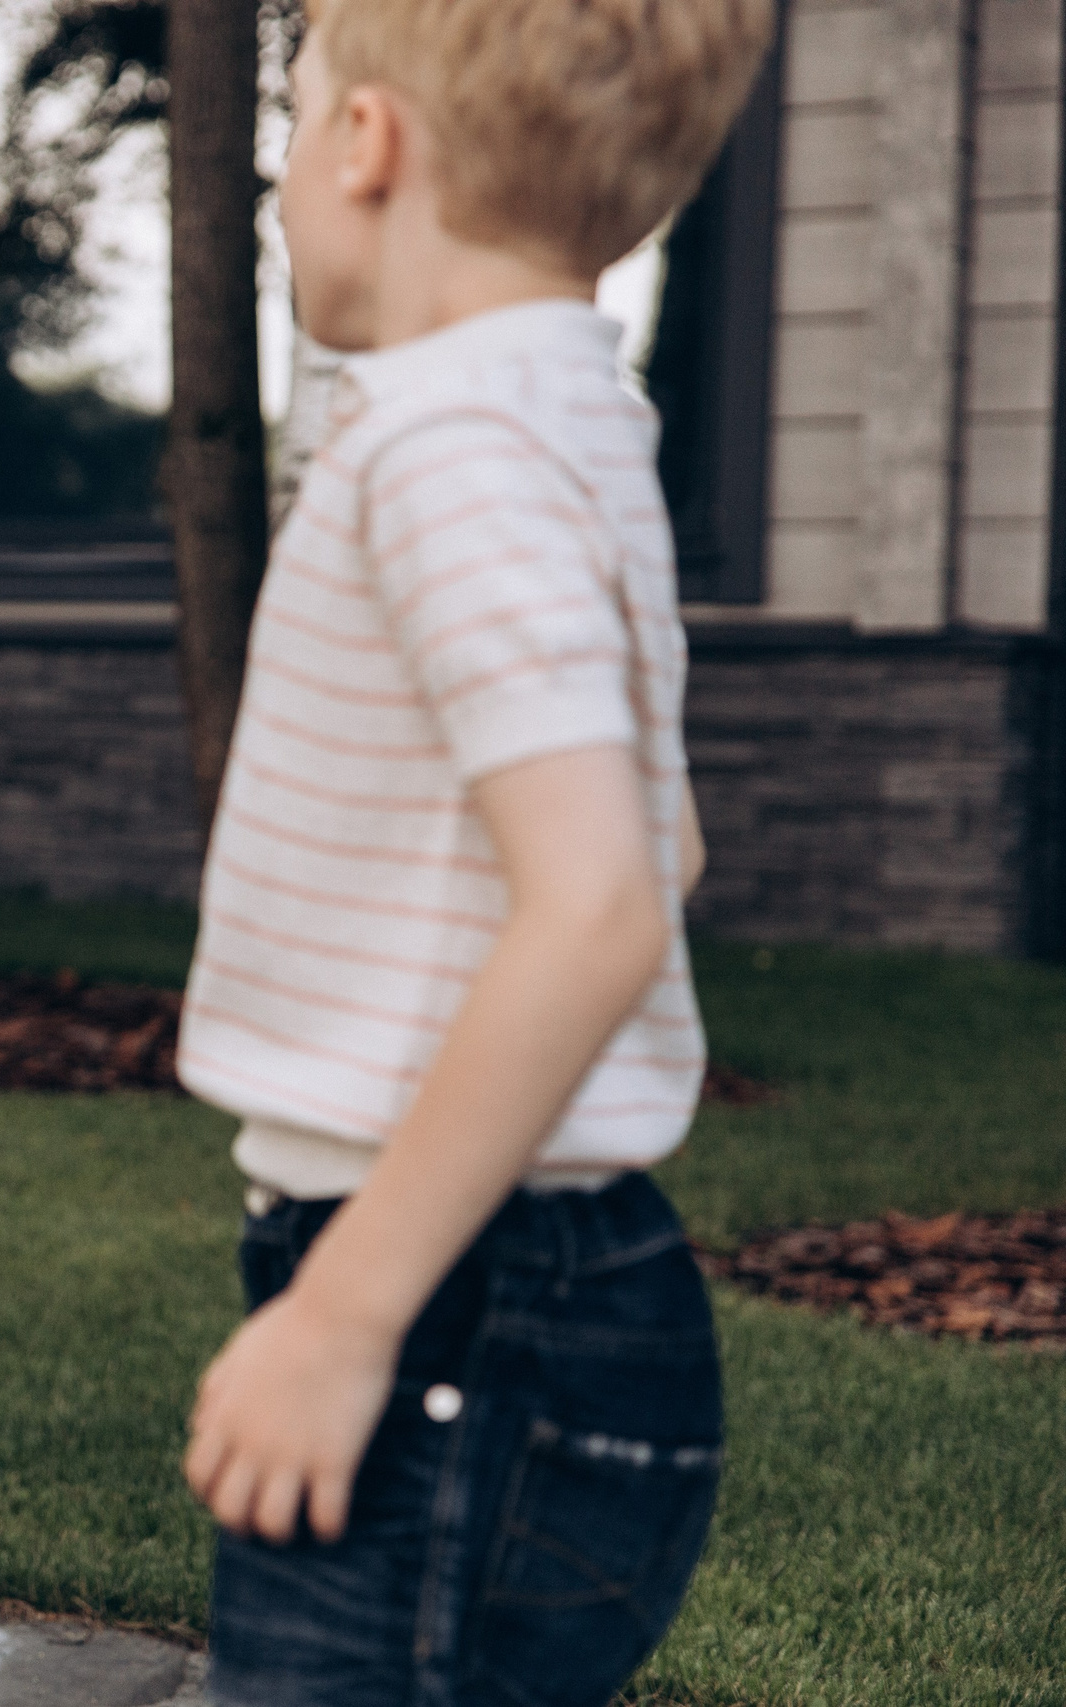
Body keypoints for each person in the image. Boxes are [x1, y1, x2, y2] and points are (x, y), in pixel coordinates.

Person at [173, 1, 773, 1702]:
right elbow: (669, 841)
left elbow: (601, 906)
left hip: (459, 1309)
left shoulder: (451, 448)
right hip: (522, 1300)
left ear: (367, 146)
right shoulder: (574, 419)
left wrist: (347, 1315)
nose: (286, 173)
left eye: (291, 123)